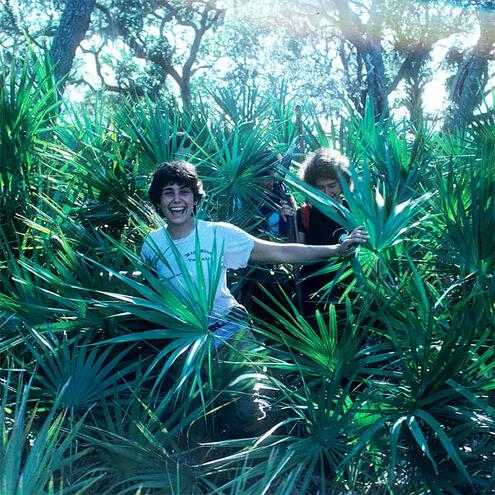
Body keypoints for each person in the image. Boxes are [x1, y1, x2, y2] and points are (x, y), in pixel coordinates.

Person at [296, 148, 353, 315]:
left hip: (351, 297)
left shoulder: (355, 212)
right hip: (314, 298)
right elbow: (296, 253)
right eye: (320, 188)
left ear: (343, 183)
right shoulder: (304, 214)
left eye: (332, 185)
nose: (328, 193)